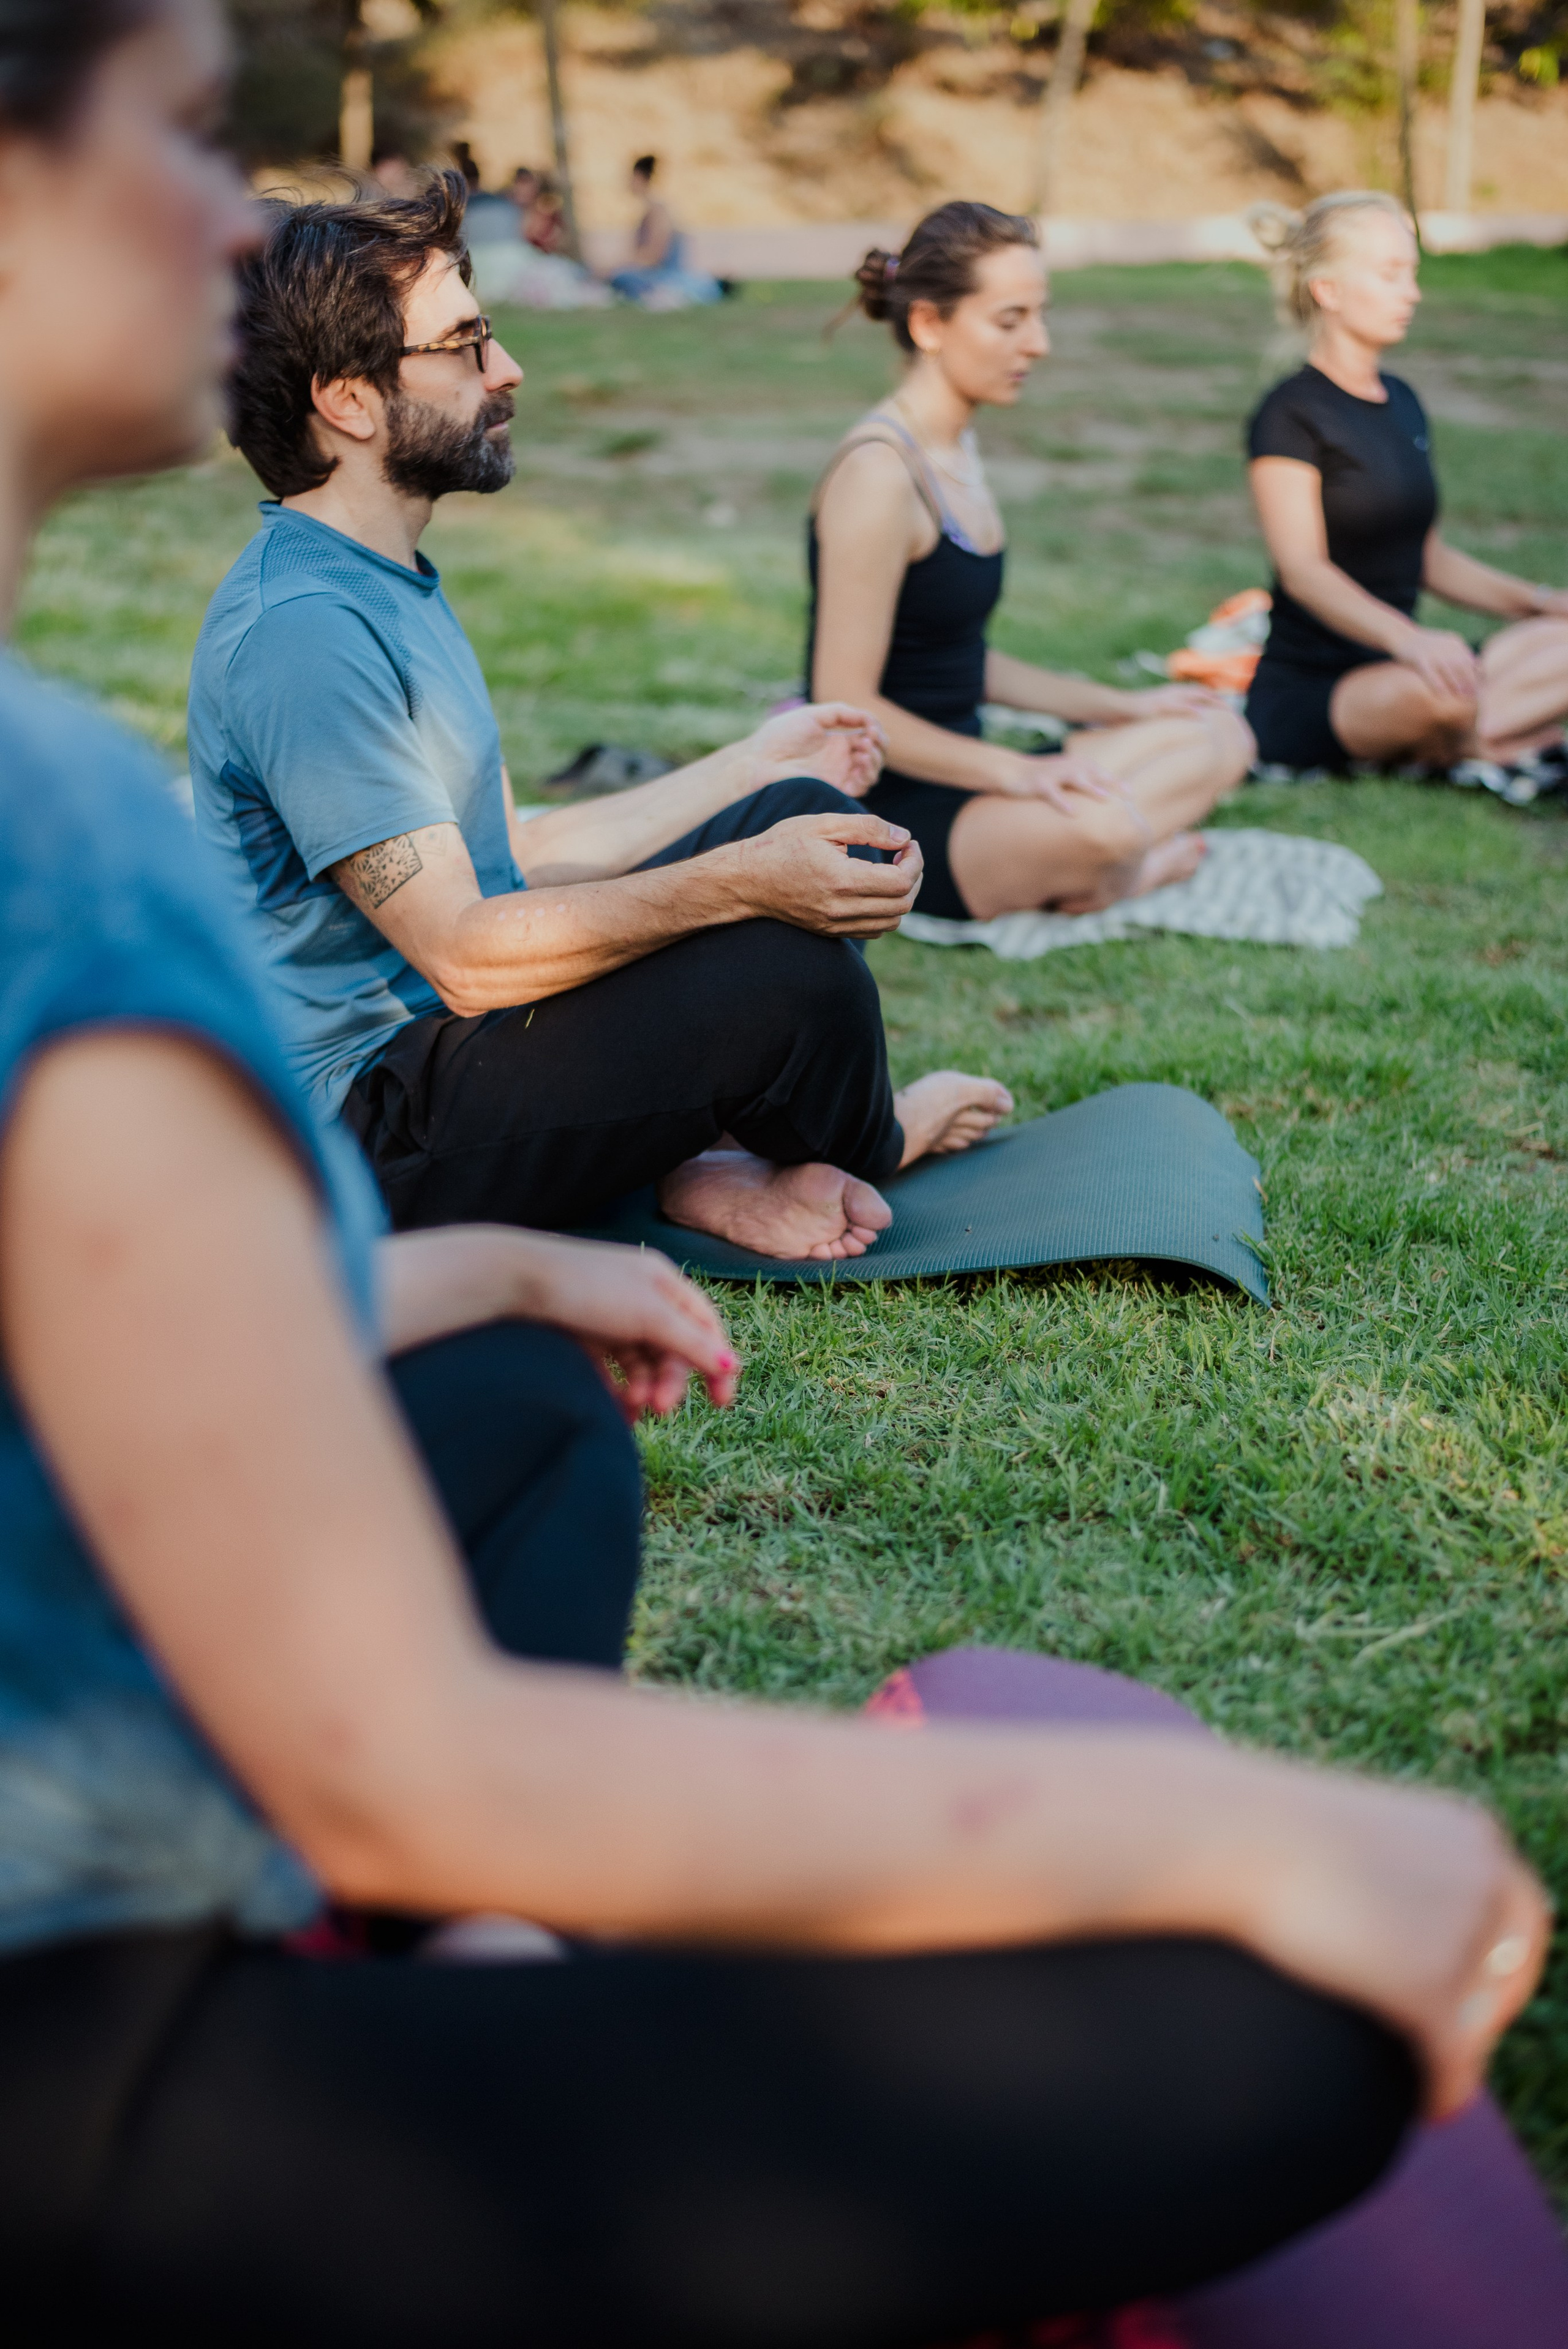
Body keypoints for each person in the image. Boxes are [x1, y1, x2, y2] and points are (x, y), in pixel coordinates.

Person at [0, 10, 1553, 2342]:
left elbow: (83, 1330)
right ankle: (773, 1173)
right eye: (188, 131)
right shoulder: (95, 797)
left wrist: (505, 1250)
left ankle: (470, 1939)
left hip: (265, 1567)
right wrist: (1244, 1829)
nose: (235, 221)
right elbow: (401, 1750)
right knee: (1269, 2030)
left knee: (534, 1383)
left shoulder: (203, 701)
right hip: (83, 2067)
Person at [190, 173, 1012, 1264]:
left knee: (803, 808)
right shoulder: (307, 632)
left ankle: (693, 1166)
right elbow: (468, 957)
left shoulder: (378, 578)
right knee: (780, 971)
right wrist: (738, 884)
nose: (509, 368)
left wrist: (748, 768)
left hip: (449, 1043)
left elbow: (510, 860)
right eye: (467, 345)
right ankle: (866, 1138)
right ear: (348, 400)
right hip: (353, 1131)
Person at [809, 203, 1256, 924]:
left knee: (1221, 732)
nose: (1038, 343)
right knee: (1103, 826)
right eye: (1010, 320)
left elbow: (956, 659)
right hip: (896, 812)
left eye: (1038, 316)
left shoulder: (954, 449)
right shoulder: (880, 475)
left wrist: (1125, 706)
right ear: (929, 326)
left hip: (976, 772)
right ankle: (1115, 874)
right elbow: (846, 702)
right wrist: (1021, 773)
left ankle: (1094, 866)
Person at [1244, 191, 1568, 788]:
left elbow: (1427, 557)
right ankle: (1487, 739)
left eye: (1411, 274)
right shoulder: (1289, 413)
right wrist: (1411, 639)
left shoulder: (1403, 401)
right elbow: (1303, 572)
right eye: (1391, 274)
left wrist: (1543, 603)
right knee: (1441, 700)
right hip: (1321, 686)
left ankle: (1478, 737)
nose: (1412, 293)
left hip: (1412, 660)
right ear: (1328, 291)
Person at [609, 151, 724, 307]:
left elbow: (655, 255)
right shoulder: (647, 212)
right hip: (651, 273)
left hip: (665, 276)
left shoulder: (658, 212)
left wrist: (616, 266)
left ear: (640, 177)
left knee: (622, 278)